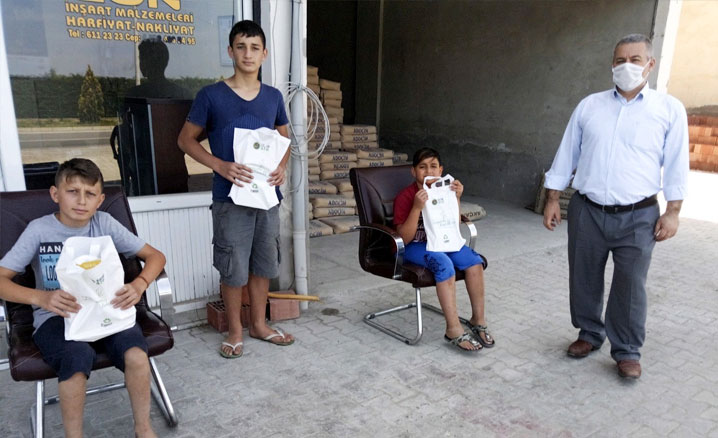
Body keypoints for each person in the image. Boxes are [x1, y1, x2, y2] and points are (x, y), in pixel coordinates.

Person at [543, 34, 689, 379]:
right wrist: (552, 198)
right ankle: (589, 333)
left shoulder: (668, 110)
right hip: (587, 210)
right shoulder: (589, 106)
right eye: (620, 60)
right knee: (584, 276)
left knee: (630, 285)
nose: (627, 66)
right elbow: (567, 152)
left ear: (650, 64)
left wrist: (673, 212)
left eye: (635, 60)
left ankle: (626, 350)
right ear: (612, 64)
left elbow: (677, 163)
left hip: (639, 215)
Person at [0, 158, 166, 438]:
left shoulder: (104, 223)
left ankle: (143, 429)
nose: (81, 201)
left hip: (107, 310)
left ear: (100, 200)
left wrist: (139, 284)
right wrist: (41, 298)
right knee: (76, 358)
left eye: (90, 194)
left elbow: (156, 257)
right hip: (58, 316)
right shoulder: (39, 230)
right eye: (72, 191)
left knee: (137, 355)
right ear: (55, 194)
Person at [178, 20, 294, 359]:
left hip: (266, 197)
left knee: (263, 264)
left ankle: (258, 325)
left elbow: (285, 139)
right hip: (229, 198)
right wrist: (219, 165)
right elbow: (185, 140)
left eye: (255, 48)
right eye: (241, 47)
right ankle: (234, 331)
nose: (248, 54)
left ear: (264, 54)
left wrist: (282, 167)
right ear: (230, 51)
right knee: (233, 267)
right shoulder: (211, 96)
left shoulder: (273, 97)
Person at [393, 147, 494, 352]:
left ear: (441, 170)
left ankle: (478, 320)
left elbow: (453, 225)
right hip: (415, 246)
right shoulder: (407, 196)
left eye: (433, 166)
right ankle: (453, 329)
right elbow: (404, 238)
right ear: (413, 171)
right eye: (422, 167)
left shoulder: (446, 191)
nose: (428, 171)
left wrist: (456, 198)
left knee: (474, 263)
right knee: (444, 265)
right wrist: (416, 207)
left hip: (443, 242)